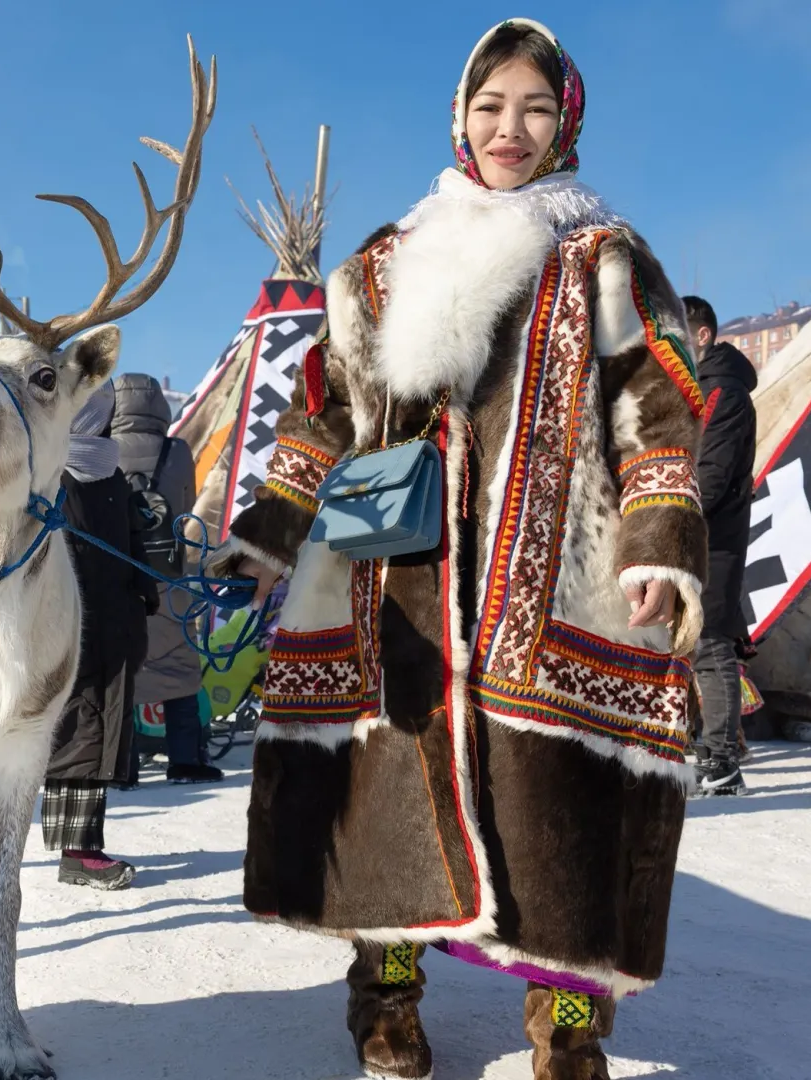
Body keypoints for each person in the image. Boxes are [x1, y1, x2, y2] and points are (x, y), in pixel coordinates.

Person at [214, 22, 704, 1079]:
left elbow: (659, 403)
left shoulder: (600, 257)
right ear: (459, 117)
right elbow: (325, 413)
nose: (509, 130)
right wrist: (271, 530)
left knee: (561, 823)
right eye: (490, 108)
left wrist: (659, 539)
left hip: (555, 588)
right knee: (385, 798)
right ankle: (383, 1001)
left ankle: (568, 1034)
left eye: (533, 108)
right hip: (393, 585)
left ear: (565, 121)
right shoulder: (381, 267)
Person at [43, 385, 154, 887]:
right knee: (20, 728)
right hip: (59, 627)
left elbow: (134, 545)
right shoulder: (44, 473)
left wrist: (146, 596)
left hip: (112, 626)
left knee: (89, 733)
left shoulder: (112, 476)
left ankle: (80, 852)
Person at [112, 372, 220, 784]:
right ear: (159, 406)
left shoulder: (103, 452)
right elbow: (187, 506)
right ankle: (185, 761)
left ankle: (124, 769)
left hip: (120, 574)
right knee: (179, 665)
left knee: (122, 671)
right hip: (170, 571)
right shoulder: (178, 452)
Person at [684, 294, 759, 796]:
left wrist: (676, 514)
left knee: (712, 647)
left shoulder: (723, 394)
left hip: (714, 536)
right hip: (695, 532)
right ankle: (707, 749)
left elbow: (710, 471)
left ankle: (723, 760)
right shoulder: (698, 388)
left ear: (703, 335)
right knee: (696, 645)